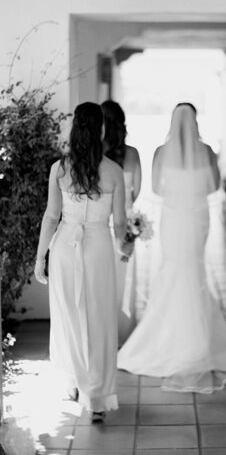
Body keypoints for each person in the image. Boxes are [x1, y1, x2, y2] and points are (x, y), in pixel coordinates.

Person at [117, 103, 226, 392]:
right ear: (195, 122)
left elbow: (157, 188)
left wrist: (177, 190)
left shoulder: (160, 151)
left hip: (173, 217)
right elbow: (213, 186)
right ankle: (197, 341)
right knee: (195, 272)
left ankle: (170, 340)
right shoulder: (207, 151)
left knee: (173, 270)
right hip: (197, 218)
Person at [34, 102, 130, 422]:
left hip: (64, 248)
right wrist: (126, 248)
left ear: (75, 130)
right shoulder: (114, 172)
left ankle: (75, 381)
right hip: (99, 249)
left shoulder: (60, 169)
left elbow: (51, 217)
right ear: (102, 129)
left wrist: (40, 258)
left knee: (69, 317)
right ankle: (97, 397)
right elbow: (120, 227)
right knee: (99, 320)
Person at [101, 99, 142, 344]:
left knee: (102, 282)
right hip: (126, 225)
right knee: (124, 283)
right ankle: (125, 336)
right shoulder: (133, 154)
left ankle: (104, 335)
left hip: (100, 226)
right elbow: (135, 192)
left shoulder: (98, 156)